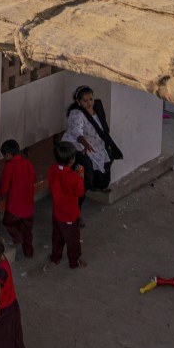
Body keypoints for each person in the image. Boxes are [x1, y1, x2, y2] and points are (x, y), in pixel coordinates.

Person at [65, 87, 120, 192]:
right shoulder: (77, 114)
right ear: (78, 101)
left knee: (108, 159)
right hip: (83, 144)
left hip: (98, 142)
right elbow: (77, 131)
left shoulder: (97, 107)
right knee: (91, 166)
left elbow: (103, 125)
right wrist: (85, 144)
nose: (89, 103)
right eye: (85, 101)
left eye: (91, 99)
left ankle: (102, 186)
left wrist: (106, 139)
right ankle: (92, 187)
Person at [47, 140, 86, 269]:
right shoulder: (74, 177)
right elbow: (80, 193)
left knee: (57, 237)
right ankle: (74, 262)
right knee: (73, 240)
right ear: (71, 160)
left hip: (57, 213)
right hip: (69, 215)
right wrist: (80, 177)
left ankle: (55, 257)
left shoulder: (52, 170)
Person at [0, 139, 37, 258]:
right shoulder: (27, 163)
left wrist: (0, 196)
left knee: (8, 222)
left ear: (8, 155)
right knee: (27, 231)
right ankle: (29, 252)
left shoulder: (9, 166)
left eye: (4, 156)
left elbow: (4, 186)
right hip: (28, 205)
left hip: (15, 206)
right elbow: (34, 178)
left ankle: (17, 238)